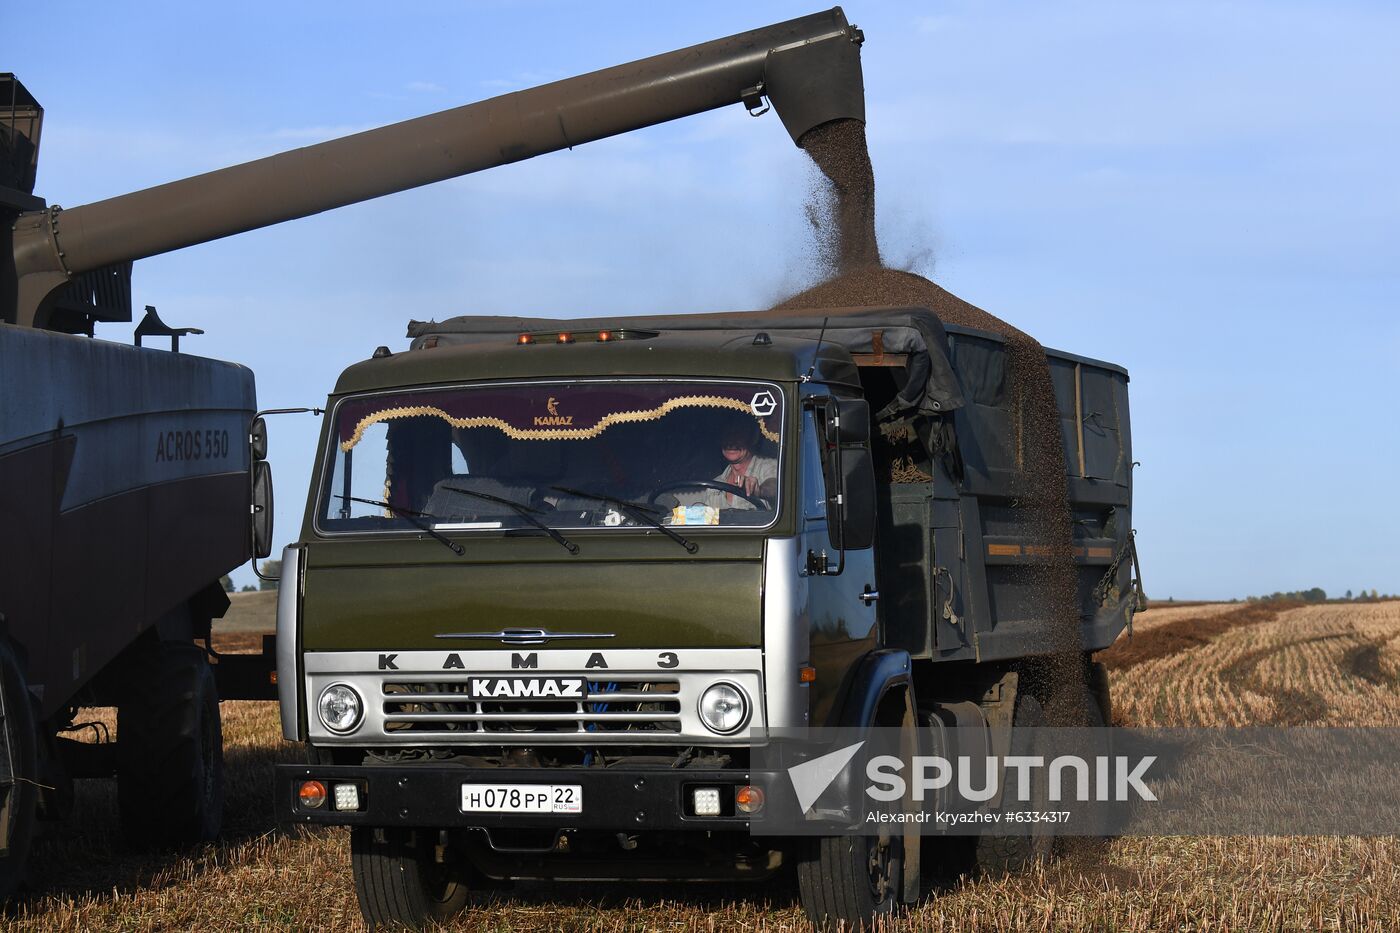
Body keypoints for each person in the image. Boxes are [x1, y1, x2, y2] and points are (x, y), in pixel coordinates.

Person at [700, 421, 777, 510]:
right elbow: (707, 520)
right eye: (726, 435)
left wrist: (759, 490)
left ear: (753, 438)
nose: (731, 442)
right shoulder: (713, 486)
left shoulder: (769, 465)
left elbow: (775, 487)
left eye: (738, 434)